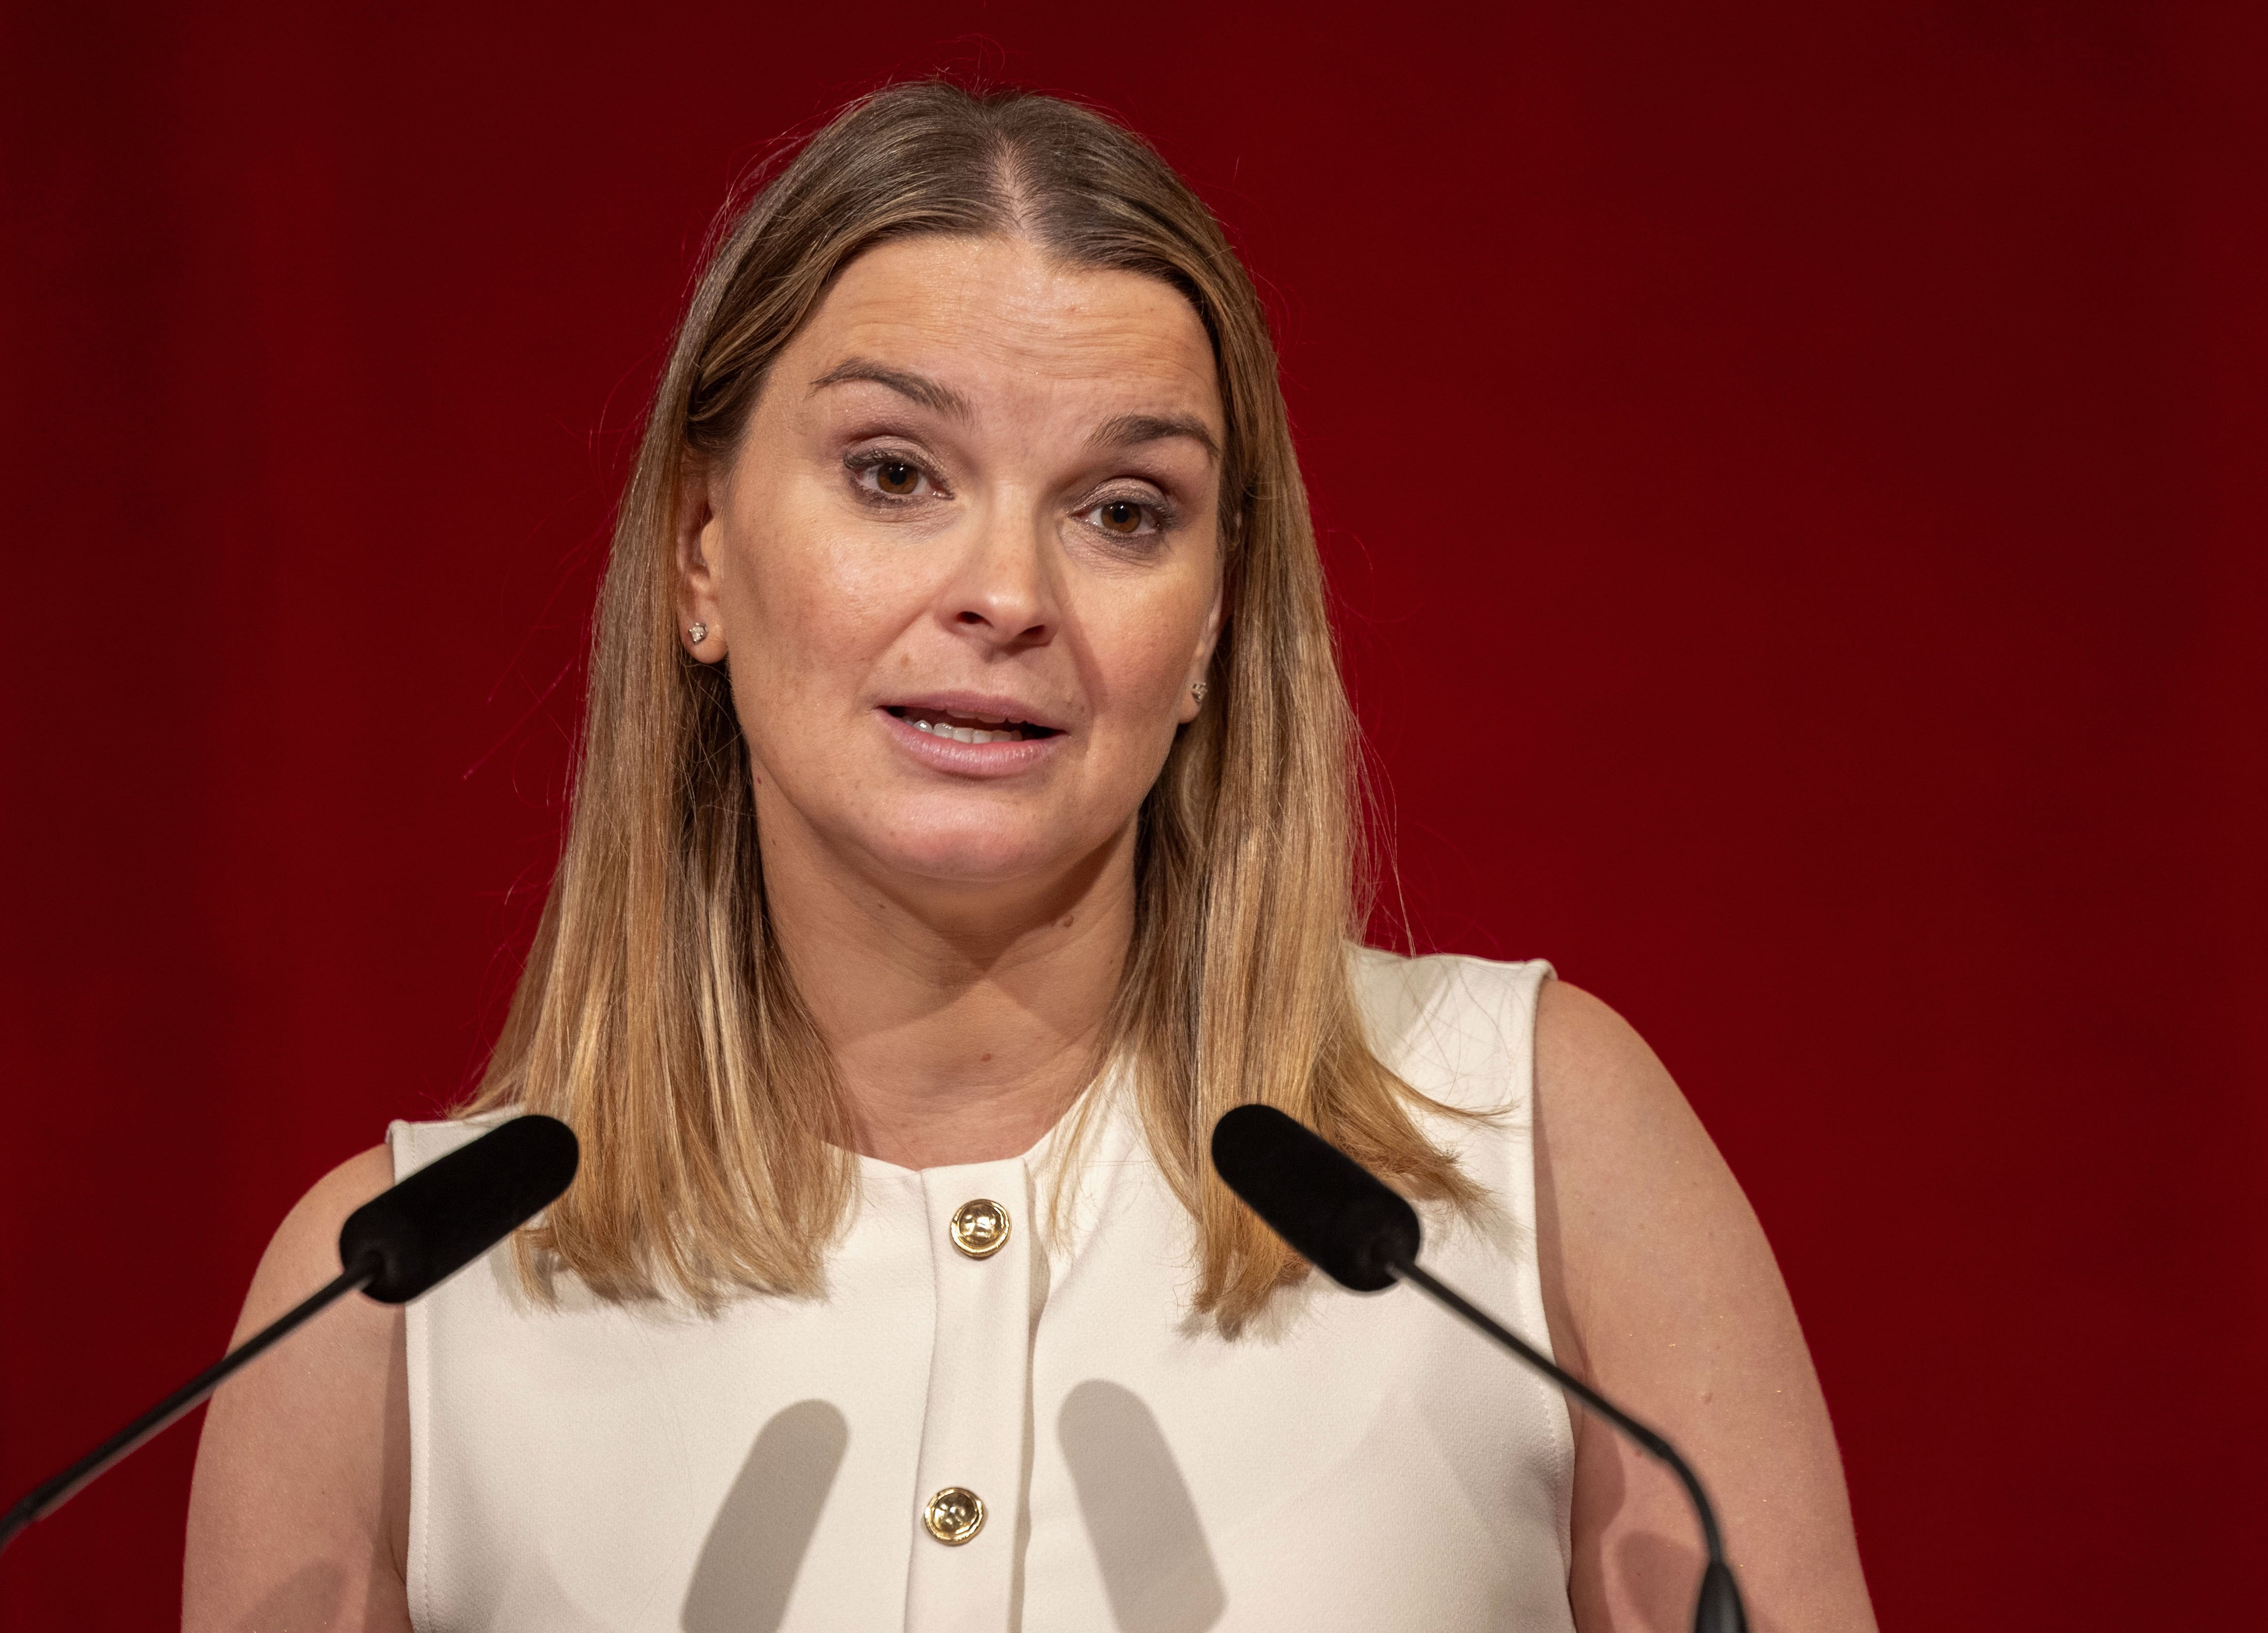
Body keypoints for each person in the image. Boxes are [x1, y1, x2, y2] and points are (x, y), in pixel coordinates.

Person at [183, 81, 1879, 1633]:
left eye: (1122, 510)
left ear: (1212, 627)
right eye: (896, 472)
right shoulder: (394, 1304)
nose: (1008, 592)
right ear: (701, 551)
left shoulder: (1523, 1149)